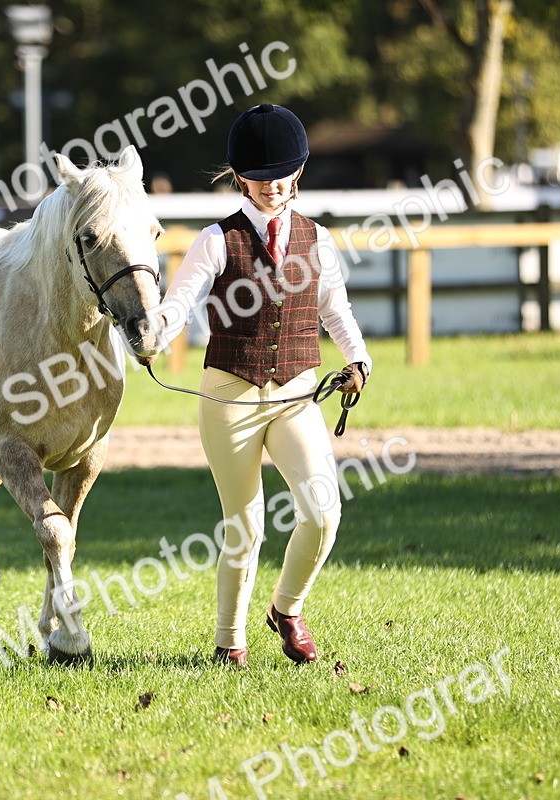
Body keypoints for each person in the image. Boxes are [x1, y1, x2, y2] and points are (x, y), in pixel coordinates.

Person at [149, 103, 371, 667]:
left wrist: (359, 359)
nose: (271, 186)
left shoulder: (318, 239)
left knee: (323, 511)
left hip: (296, 394)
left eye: (281, 174)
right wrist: (154, 334)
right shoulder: (215, 240)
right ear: (239, 177)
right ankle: (230, 642)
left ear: (298, 172)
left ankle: (286, 609)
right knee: (244, 526)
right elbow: (180, 304)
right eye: (259, 176)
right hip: (230, 395)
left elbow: (334, 309)